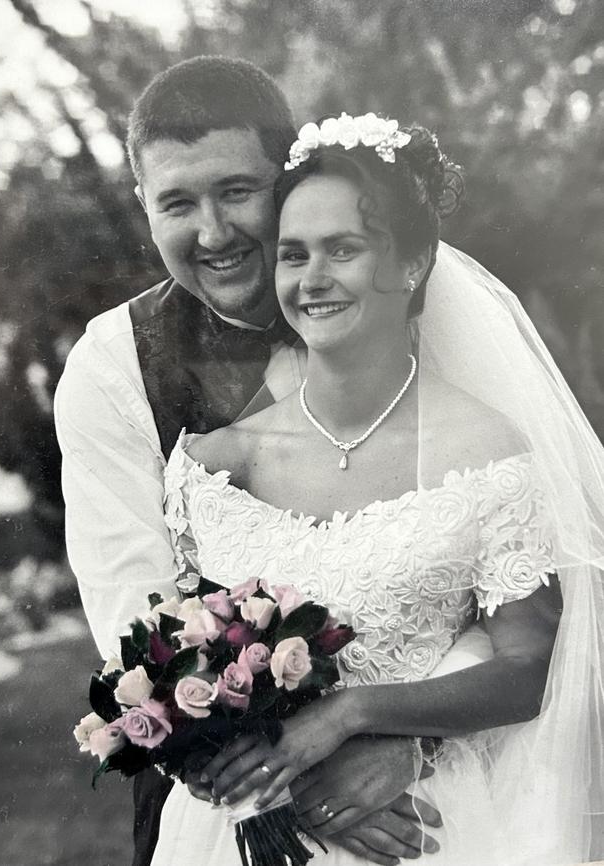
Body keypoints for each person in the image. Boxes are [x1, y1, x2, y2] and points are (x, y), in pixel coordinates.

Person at [55, 58, 488, 866]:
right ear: (143, 207)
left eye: (237, 192)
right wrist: (288, 783)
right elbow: (132, 611)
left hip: (442, 767)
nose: (213, 233)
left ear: (287, 176)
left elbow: (508, 556)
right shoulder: (114, 364)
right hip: (227, 787)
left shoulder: (403, 300)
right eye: (178, 202)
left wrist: (413, 735)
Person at [149, 112, 604, 865]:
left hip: (423, 824)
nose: (312, 279)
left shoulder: (485, 452)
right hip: (241, 831)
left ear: (414, 262)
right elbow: (180, 665)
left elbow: (531, 666)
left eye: (343, 249)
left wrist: (353, 715)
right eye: (292, 255)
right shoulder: (216, 465)